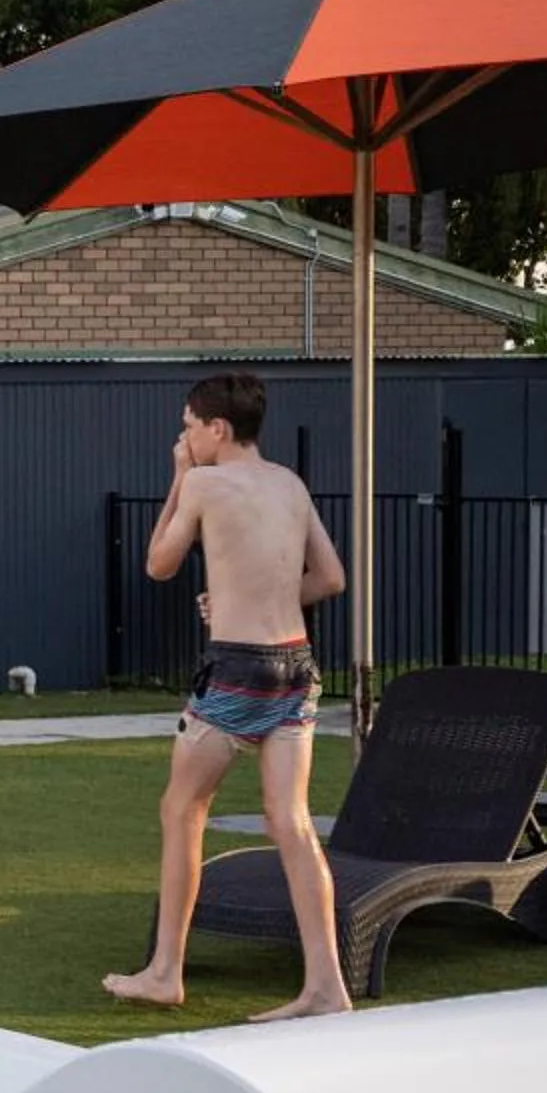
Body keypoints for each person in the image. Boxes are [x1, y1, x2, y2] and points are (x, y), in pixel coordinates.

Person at [103, 372, 351, 1022]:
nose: (183, 435)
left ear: (216, 428)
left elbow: (158, 563)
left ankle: (164, 972)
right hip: (295, 668)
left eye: (189, 425)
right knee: (292, 824)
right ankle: (326, 987)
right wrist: (256, 599)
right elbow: (329, 577)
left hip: (237, 672)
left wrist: (179, 477)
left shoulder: (205, 482)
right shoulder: (289, 484)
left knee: (182, 810)